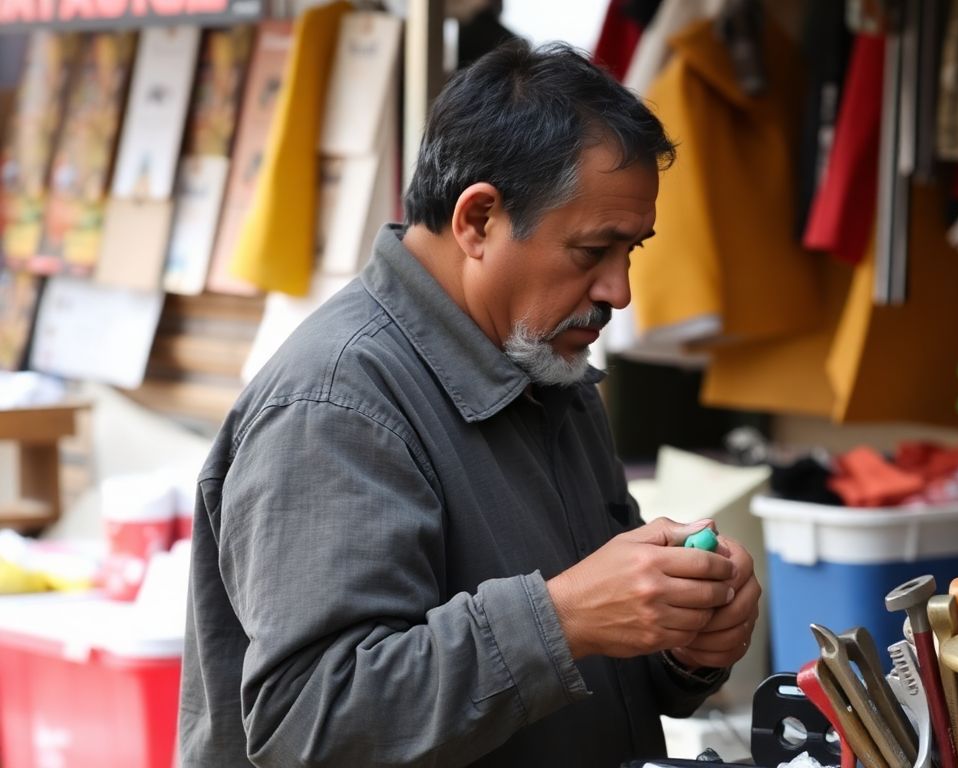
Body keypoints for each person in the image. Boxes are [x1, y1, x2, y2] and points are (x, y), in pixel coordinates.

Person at [178, 41, 761, 767]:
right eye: (592, 252)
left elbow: (595, 665)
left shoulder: (547, 366)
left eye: (632, 251)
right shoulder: (335, 404)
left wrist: (681, 637)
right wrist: (563, 618)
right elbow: (310, 725)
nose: (620, 291)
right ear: (478, 220)